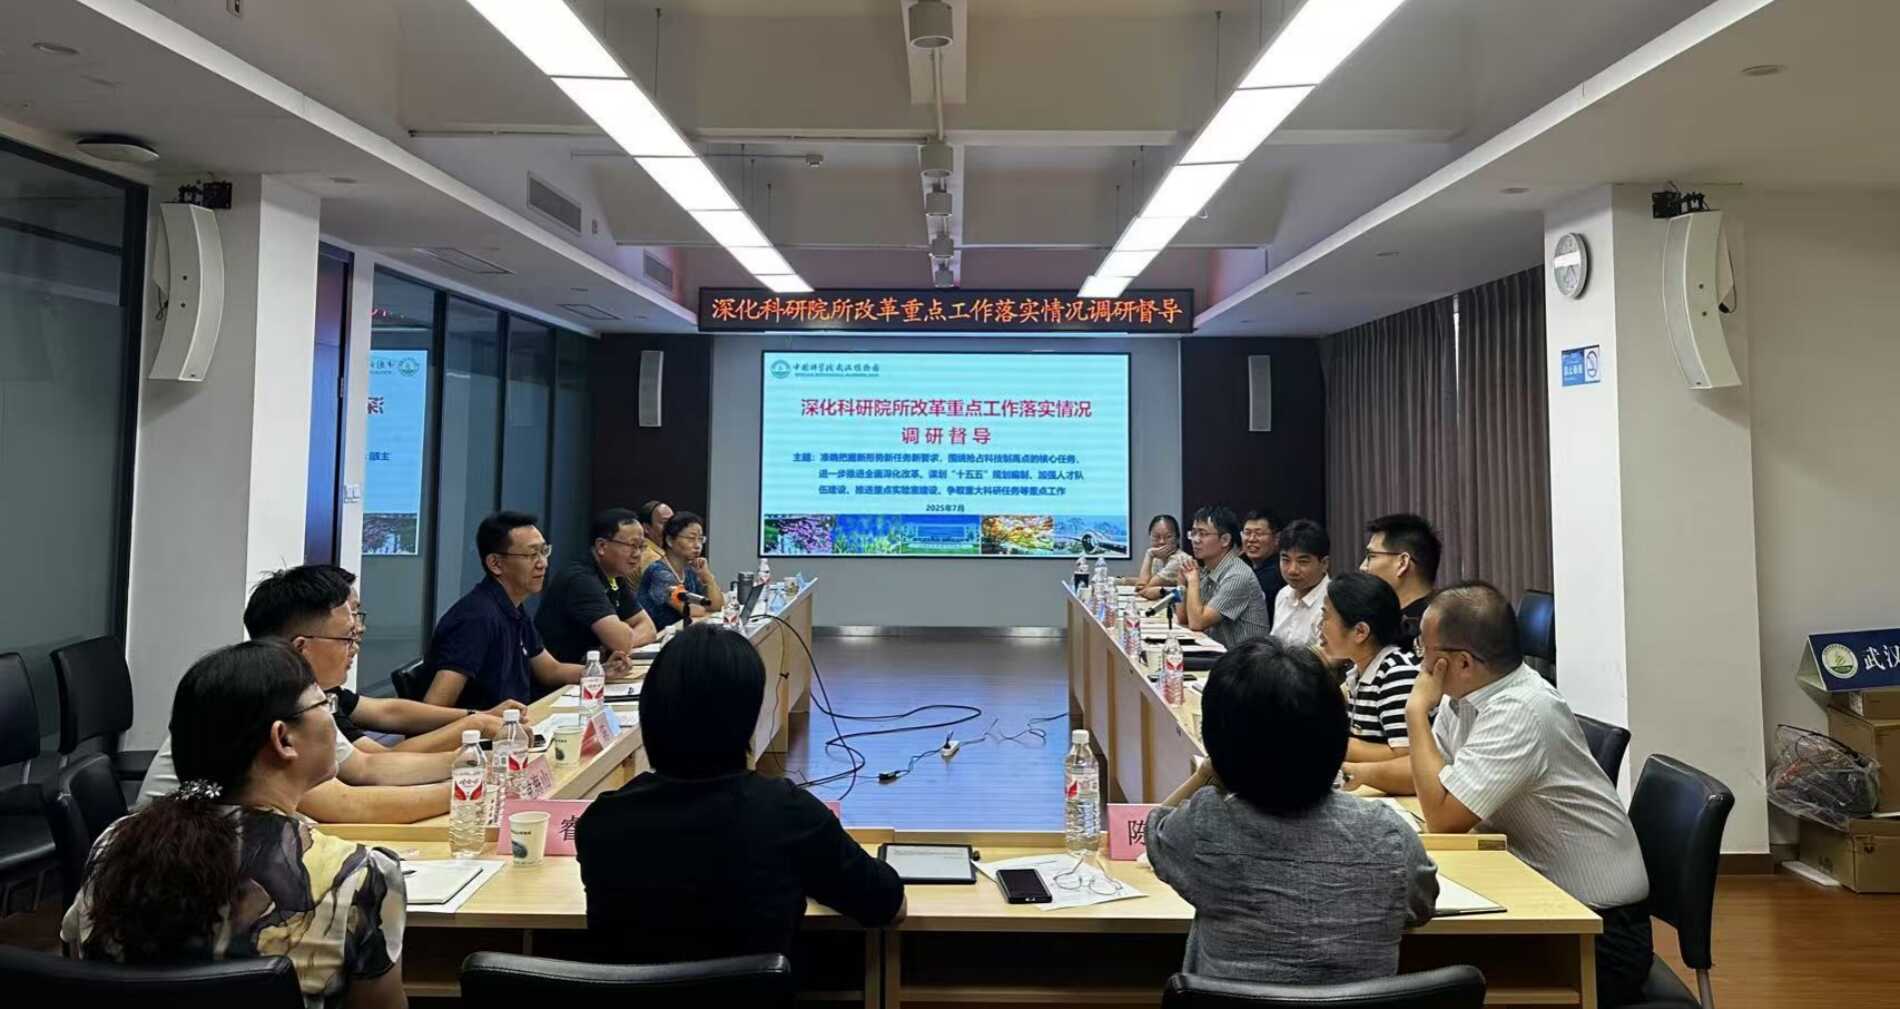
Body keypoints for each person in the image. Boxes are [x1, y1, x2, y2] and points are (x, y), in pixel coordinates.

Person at [66, 642, 408, 1009]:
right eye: (324, 704)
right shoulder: (358, 876)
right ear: (283, 739)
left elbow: (77, 961)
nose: (332, 717)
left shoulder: (114, 845)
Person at [574, 623, 906, 961]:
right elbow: (889, 905)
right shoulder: (788, 814)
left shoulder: (601, 822)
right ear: (747, 717)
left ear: (651, 710)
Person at [1402, 582, 1650, 1007]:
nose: (1419, 660)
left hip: (1597, 933)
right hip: (1545, 900)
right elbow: (1429, 775)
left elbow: (1443, 818)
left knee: (1416, 964)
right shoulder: (1468, 697)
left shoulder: (1521, 711)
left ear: (1461, 663)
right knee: (1412, 954)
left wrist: (1414, 713)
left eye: (1423, 648)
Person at [1145, 638, 1437, 985]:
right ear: (1336, 734)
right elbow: (1422, 907)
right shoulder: (1388, 835)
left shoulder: (1204, 827)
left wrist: (1209, 772)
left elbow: (1154, 832)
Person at [140, 566, 462, 823]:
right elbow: (347, 805)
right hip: (174, 857)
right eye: (346, 639)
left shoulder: (300, 695)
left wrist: (469, 762)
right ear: (302, 647)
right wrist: (465, 791)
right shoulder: (264, 701)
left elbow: (367, 767)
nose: (355, 648)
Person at [259, 565, 523, 753]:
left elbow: (388, 712)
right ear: (302, 646)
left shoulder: (321, 691)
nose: (358, 635)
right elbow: (374, 766)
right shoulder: (290, 707)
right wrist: (474, 727)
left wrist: (478, 716)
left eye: (356, 615)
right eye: (346, 635)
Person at [422, 511, 597, 709]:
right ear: (495, 564)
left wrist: (599, 672)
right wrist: (483, 719)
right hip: (488, 726)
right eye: (532, 554)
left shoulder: (513, 607)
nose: (543, 563)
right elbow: (434, 706)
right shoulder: (476, 618)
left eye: (544, 551)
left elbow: (550, 670)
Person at [1320, 574, 1424, 793]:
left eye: (1325, 616)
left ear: (1360, 632)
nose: (1319, 626)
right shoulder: (1359, 672)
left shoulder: (1398, 673)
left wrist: (1332, 744)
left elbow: (1408, 756)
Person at [536, 508, 660, 663]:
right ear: (601, 546)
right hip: (562, 675)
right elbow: (621, 641)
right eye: (632, 545)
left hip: (591, 670)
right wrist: (619, 642)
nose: (637, 554)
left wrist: (617, 643)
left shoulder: (614, 575)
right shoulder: (580, 579)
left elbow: (648, 628)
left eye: (641, 546)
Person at [1174, 506, 1273, 650]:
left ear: (1225, 540)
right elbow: (1183, 618)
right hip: (1221, 654)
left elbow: (1197, 623)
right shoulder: (1208, 570)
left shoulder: (1237, 576)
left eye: (1203, 534)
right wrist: (1180, 584)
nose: (1195, 540)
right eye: (1193, 533)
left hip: (1246, 660)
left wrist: (1193, 581)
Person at [638, 511, 728, 633]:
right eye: (691, 539)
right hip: (658, 639)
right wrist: (705, 607)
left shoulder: (690, 570)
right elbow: (691, 610)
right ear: (670, 540)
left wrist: (708, 577)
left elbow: (717, 605)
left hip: (681, 634)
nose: (697, 545)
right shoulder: (659, 572)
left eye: (700, 539)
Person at [1361, 513, 1442, 648]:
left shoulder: (1432, 627)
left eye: (1371, 556)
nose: (1363, 567)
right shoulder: (1381, 618)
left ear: (1402, 563)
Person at [1270, 519, 1331, 649]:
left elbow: (1328, 657)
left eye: (1303, 561)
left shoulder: (1333, 603)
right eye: (1286, 560)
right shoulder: (1283, 594)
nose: (1292, 570)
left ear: (1324, 563)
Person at [1240, 509, 1285, 625]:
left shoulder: (1279, 571)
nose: (1251, 539)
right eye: (1247, 533)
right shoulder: (1241, 564)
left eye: (1259, 534)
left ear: (1277, 538)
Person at [1126, 513, 1187, 599]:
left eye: (1168, 537)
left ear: (1177, 538)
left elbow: (1142, 588)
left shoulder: (1179, 560)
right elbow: (1147, 582)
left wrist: (1149, 554)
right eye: (1156, 537)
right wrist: (1121, 581)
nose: (1162, 542)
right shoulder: (1158, 558)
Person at [636, 499, 673, 574]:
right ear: (646, 528)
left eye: (673, 522)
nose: (673, 527)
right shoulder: (651, 558)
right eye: (665, 523)